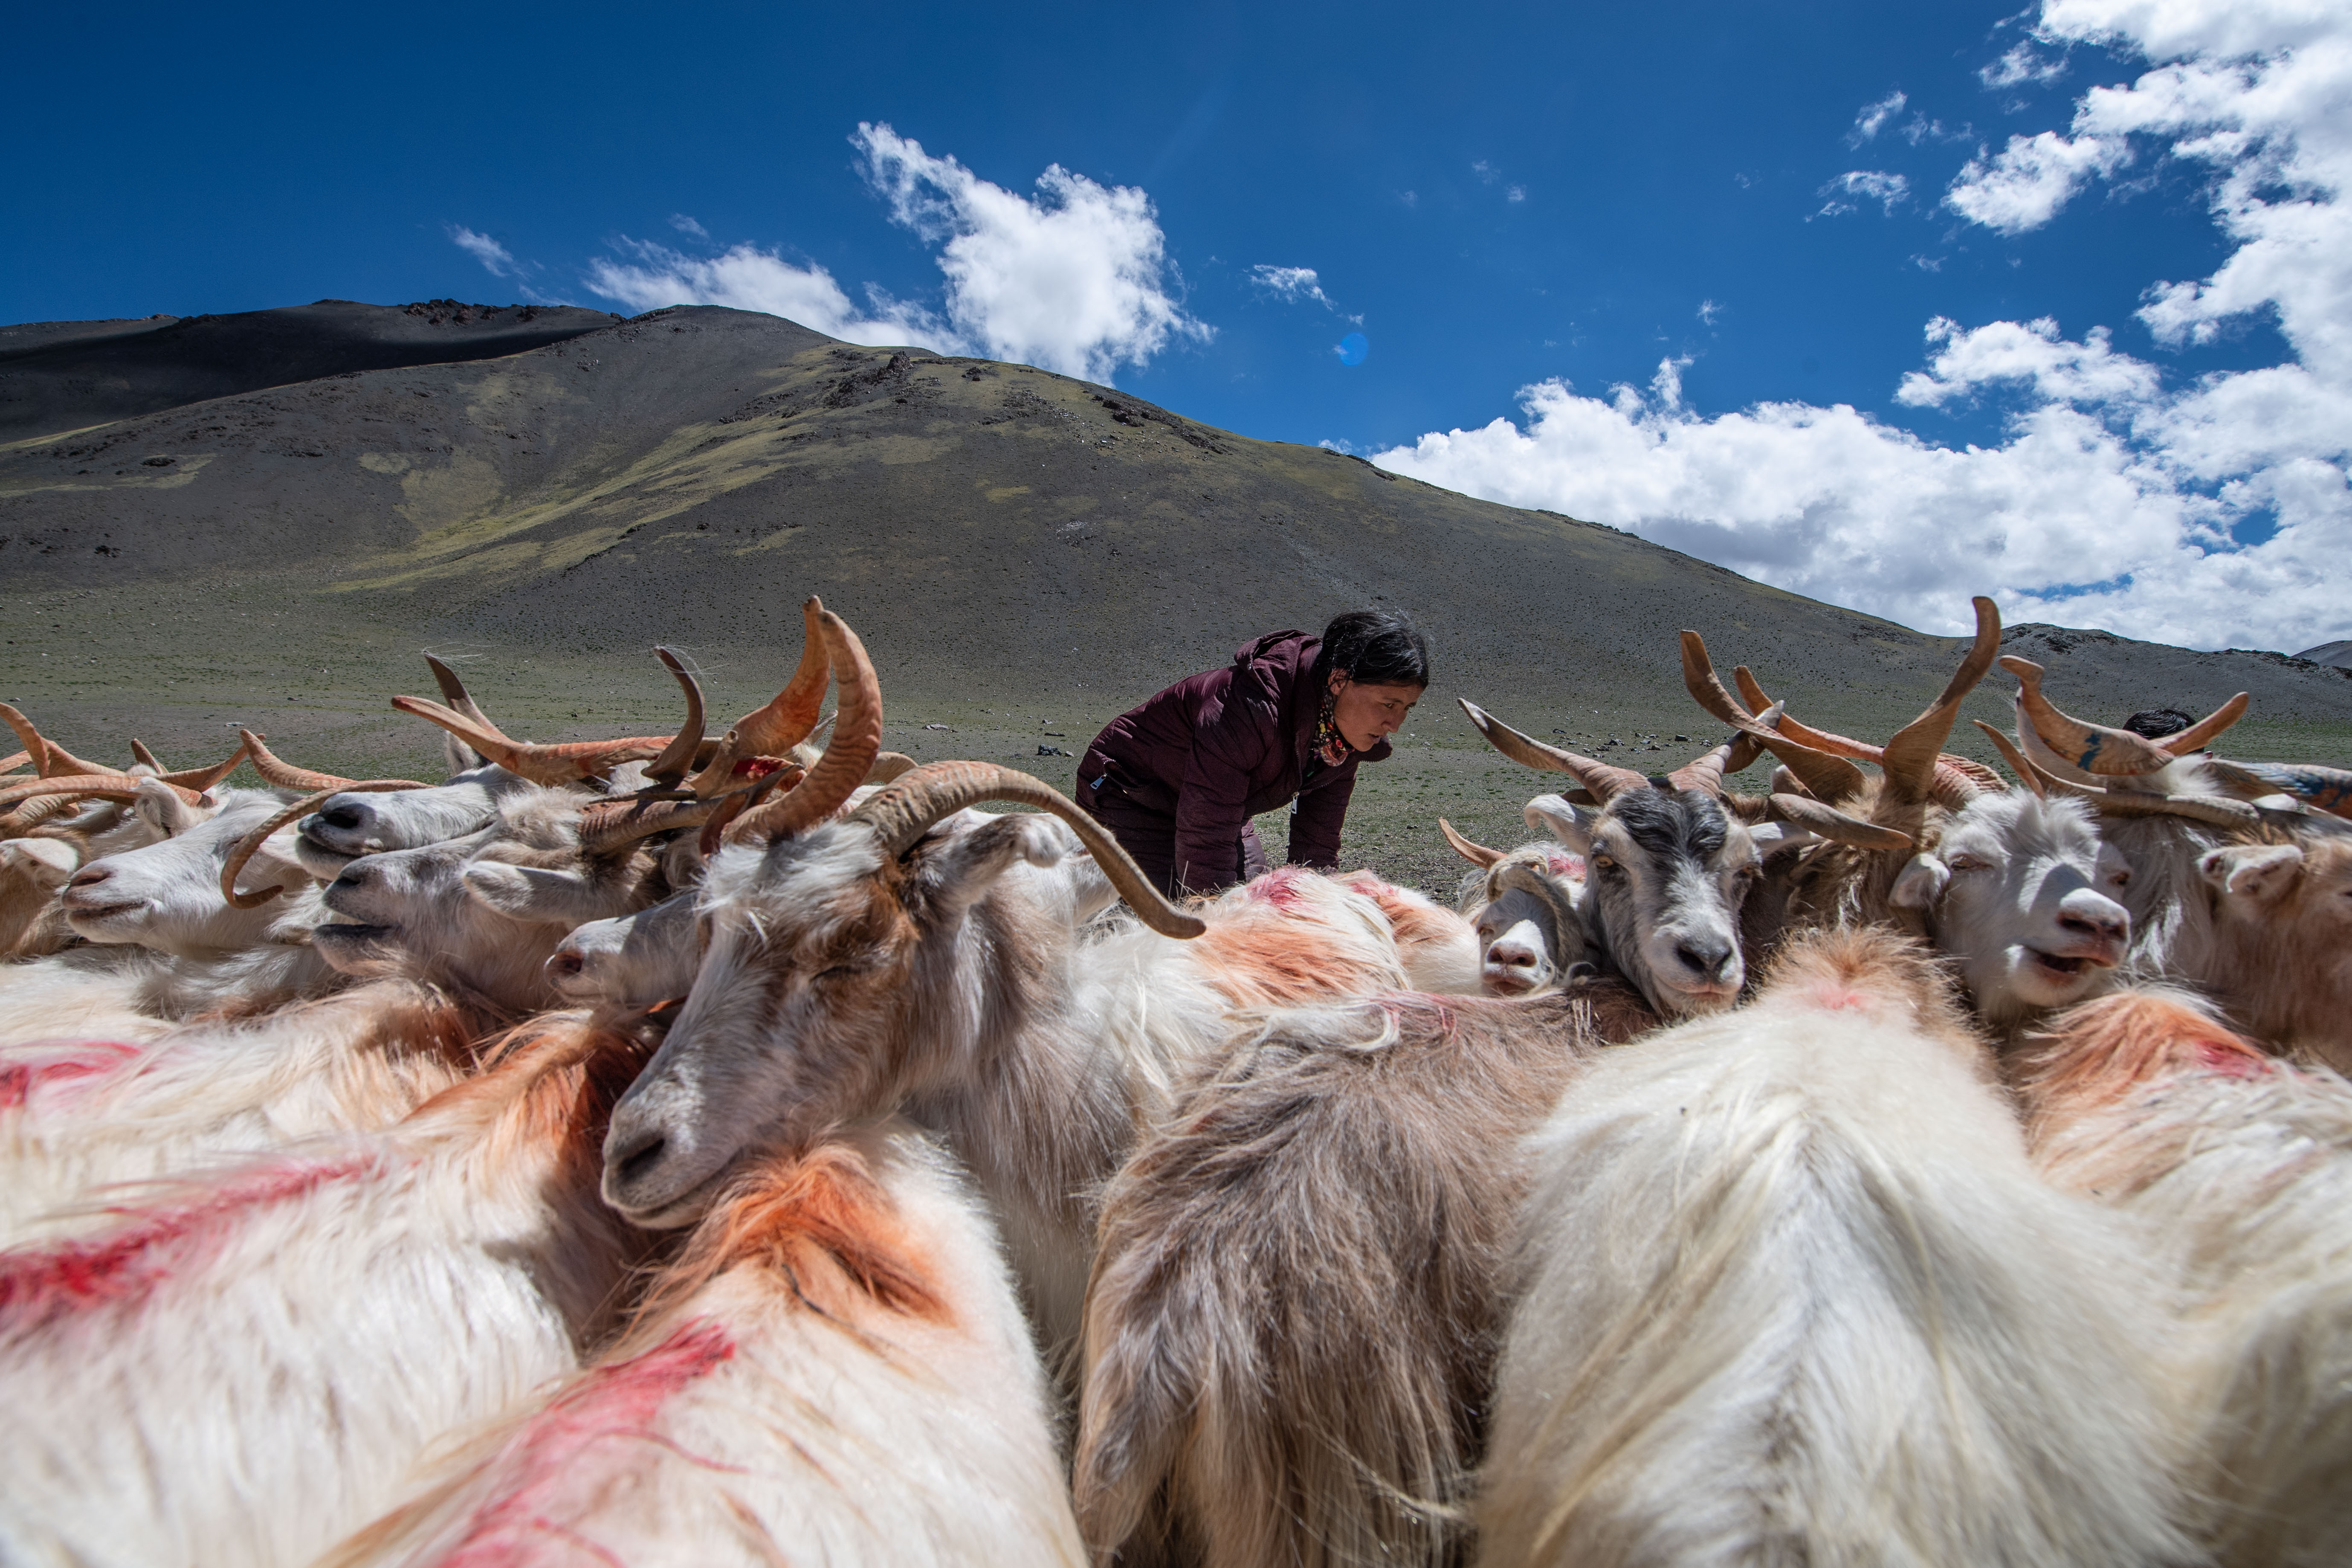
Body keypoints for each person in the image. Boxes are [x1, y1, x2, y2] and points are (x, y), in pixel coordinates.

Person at [1078, 610, 1430, 896]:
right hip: (1129, 794)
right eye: (1389, 704)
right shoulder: (1251, 707)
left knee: (1260, 900)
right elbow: (1206, 832)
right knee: (1174, 917)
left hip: (1216, 807)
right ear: (1339, 681)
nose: (1395, 724)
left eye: (1407, 708)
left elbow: (1317, 845)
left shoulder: (1344, 741)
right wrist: (1215, 921)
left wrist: (1319, 907)